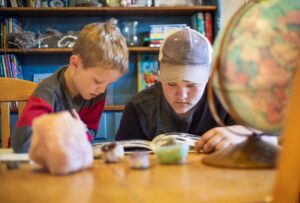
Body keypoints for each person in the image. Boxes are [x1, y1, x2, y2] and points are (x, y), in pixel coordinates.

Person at [115, 27, 245, 153]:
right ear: (159, 74)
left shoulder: (226, 100)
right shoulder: (139, 108)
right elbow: (125, 165)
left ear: (209, 75)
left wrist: (241, 134)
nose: (181, 95)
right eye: (171, 84)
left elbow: (260, 138)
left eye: (191, 85)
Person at [11, 19, 129, 153]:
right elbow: (21, 142)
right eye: (97, 81)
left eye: (108, 84)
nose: (102, 90)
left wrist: (80, 134)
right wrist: (67, 131)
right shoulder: (48, 92)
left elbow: (90, 132)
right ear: (75, 64)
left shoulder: (97, 93)